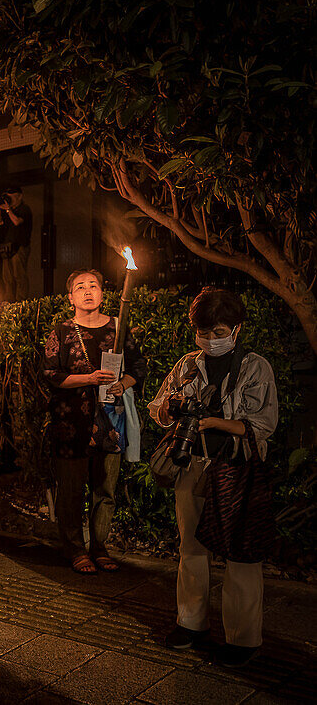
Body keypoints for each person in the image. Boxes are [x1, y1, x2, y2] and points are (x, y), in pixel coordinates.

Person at [149, 288, 278, 668]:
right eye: (203, 332)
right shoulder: (188, 364)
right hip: (194, 464)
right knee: (191, 548)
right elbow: (158, 406)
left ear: (236, 330)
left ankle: (243, 638)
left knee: (241, 554)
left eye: (218, 331)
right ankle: (191, 624)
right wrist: (171, 409)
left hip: (237, 468)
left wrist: (213, 421)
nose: (210, 339)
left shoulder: (256, 367)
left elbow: (263, 424)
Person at [41, 269, 145, 574]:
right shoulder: (60, 332)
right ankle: (75, 549)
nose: (88, 291)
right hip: (71, 421)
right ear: (71, 297)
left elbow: (139, 365)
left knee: (105, 489)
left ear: (103, 293)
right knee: (71, 489)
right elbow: (49, 374)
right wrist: (88, 378)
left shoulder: (120, 327)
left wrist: (122, 384)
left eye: (94, 286)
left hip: (111, 420)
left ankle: (100, 547)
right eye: (80, 287)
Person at [0, 185, 33, 302]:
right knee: (7, 276)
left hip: (20, 246)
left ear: (20, 196)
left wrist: (8, 210)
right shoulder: (8, 210)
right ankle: (9, 300)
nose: (11, 200)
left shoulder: (24, 209)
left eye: (13, 197)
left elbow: (17, 222)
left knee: (19, 275)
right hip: (8, 247)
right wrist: (0, 208)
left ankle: (21, 301)